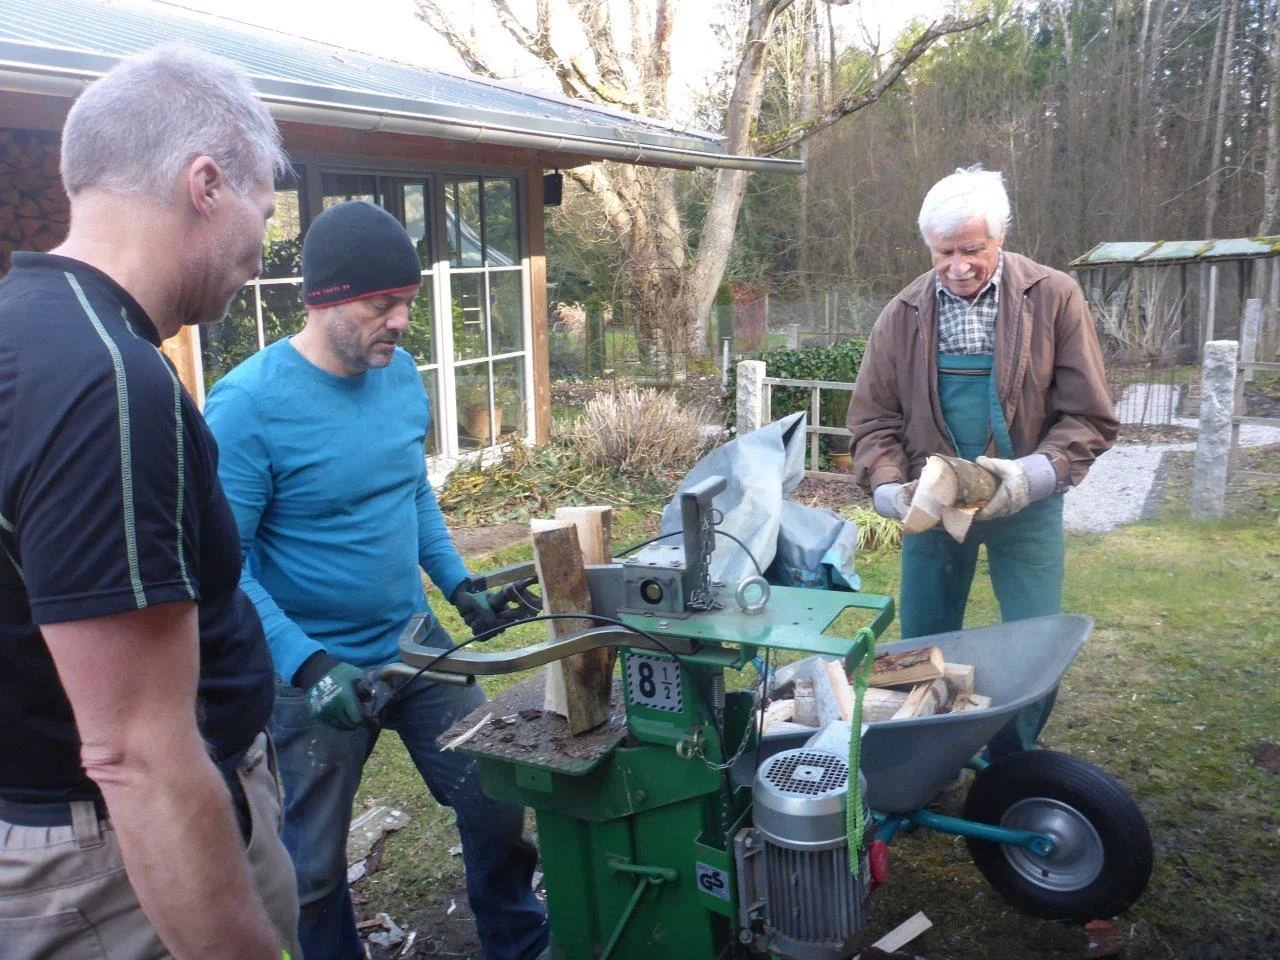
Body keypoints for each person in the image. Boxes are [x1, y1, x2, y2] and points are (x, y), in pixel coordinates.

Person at [0, 45, 300, 958]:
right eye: (264, 207)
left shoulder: (23, 331)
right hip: (123, 869)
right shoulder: (106, 385)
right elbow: (135, 755)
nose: (264, 243)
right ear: (204, 183)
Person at [204, 200, 549, 960]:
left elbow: (410, 491)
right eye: (381, 303)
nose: (399, 321)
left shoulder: (399, 380)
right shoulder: (247, 407)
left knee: (494, 796)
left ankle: (518, 943)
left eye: (406, 302)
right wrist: (307, 663)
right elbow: (223, 566)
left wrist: (458, 585)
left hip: (416, 643)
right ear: (323, 298)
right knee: (315, 864)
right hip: (311, 675)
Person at [846, 166, 1117, 758]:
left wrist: (1031, 476)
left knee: (1035, 638)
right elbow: (872, 421)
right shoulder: (904, 313)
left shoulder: (1053, 297)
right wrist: (891, 488)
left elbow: (1088, 415)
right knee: (924, 639)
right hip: (933, 507)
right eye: (944, 252)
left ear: (1001, 237)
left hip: (1028, 506)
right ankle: (927, 761)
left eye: (973, 249)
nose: (958, 266)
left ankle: (1010, 766)